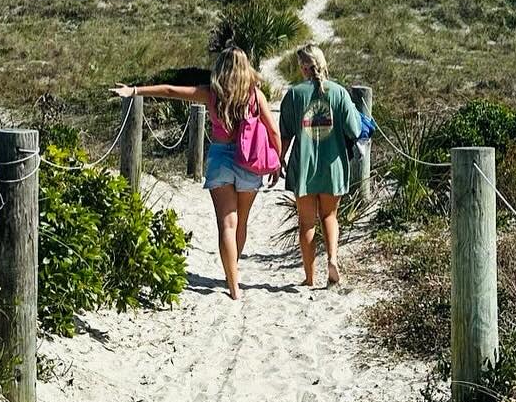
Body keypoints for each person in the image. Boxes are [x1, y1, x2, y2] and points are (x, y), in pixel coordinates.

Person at [112, 46, 278, 301]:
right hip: (249, 161)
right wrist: (277, 162)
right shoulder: (255, 96)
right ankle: (233, 272)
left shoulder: (211, 94)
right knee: (240, 223)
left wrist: (135, 90)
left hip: (221, 159)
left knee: (226, 223)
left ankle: (233, 286)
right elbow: (273, 131)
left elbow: (170, 91)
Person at [278, 44, 364, 288]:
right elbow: (354, 130)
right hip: (333, 164)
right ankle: (333, 259)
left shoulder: (294, 94)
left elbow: (285, 133)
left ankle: (309, 277)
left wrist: (280, 159)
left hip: (304, 166)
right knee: (330, 215)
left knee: (306, 223)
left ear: (305, 68)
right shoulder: (339, 93)